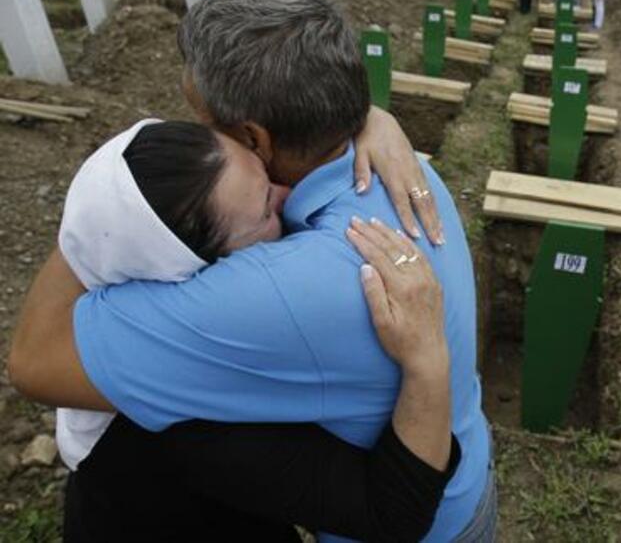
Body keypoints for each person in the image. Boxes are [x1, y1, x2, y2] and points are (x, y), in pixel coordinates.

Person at [9, 0, 496, 542]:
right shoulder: (407, 170)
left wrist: (95, 226)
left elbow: (35, 362)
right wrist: (375, 118)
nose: (200, 142)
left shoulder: (272, 291)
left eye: (204, 123)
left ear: (254, 139)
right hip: (469, 481)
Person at [51, 118, 458, 541]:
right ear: (204, 269)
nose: (290, 194)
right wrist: (427, 360)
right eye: (266, 208)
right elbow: (390, 513)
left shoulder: (128, 287)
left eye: (267, 176)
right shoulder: (188, 420)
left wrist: (368, 121)